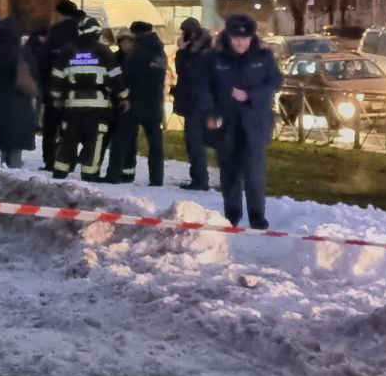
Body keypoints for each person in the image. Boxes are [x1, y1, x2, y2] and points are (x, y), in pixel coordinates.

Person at [200, 14, 282, 230]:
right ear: (228, 37)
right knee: (229, 173)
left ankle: (257, 218)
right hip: (226, 125)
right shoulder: (214, 59)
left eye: (245, 39)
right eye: (236, 38)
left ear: (252, 38)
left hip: (254, 125)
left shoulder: (263, 57)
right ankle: (232, 216)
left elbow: (275, 82)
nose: (241, 43)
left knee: (254, 174)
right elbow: (204, 89)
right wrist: (210, 114)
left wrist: (250, 95)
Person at [49, 16, 128, 182]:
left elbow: (56, 78)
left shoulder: (68, 50)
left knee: (68, 140)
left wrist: (56, 98)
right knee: (94, 141)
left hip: (72, 106)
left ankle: (60, 172)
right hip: (97, 107)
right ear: (97, 33)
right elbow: (116, 77)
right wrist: (124, 97)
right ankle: (89, 173)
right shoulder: (103, 51)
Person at [105, 21, 167, 185]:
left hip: (135, 104)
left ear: (136, 34)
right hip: (155, 105)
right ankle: (156, 179)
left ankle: (113, 175)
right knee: (155, 144)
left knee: (120, 140)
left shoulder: (138, 54)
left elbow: (125, 77)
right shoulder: (160, 53)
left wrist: (124, 98)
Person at [0, 18, 38, 168]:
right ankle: (14, 168)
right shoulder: (22, 52)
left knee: (4, 141)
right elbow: (34, 74)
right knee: (16, 142)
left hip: (1, 101)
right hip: (20, 103)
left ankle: (4, 166)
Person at [38, 0, 85, 171]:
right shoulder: (81, 32)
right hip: (77, 89)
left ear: (58, 14)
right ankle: (69, 160)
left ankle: (51, 160)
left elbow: (44, 60)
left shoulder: (56, 33)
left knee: (51, 127)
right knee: (70, 128)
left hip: (55, 87)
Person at [173, 17, 214, 190]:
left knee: (194, 142)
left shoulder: (197, 53)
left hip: (197, 102)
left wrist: (182, 51)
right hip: (205, 101)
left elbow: (186, 72)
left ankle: (200, 179)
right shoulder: (207, 50)